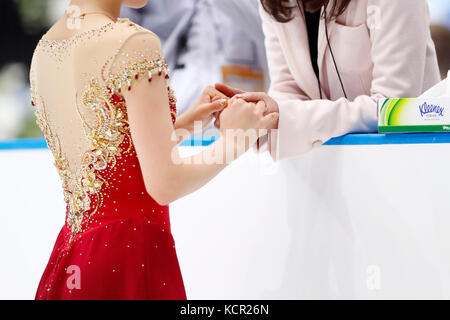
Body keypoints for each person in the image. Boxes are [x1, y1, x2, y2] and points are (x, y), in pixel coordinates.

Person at [30, 0, 278, 300]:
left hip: (74, 254)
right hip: (129, 254)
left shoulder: (47, 47)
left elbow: (113, 154)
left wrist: (185, 125)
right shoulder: (132, 42)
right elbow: (165, 184)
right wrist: (236, 139)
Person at [217, 0, 441, 160]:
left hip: (409, 162)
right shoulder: (274, 4)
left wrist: (283, 118)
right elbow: (289, 88)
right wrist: (259, 117)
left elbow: (394, 110)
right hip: (327, 171)